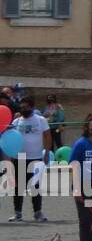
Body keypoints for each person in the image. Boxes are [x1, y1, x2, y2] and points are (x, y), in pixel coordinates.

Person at [7, 94, 50, 222]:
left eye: (25, 107)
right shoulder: (16, 121)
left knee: (35, 186)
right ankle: (17, 213)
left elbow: (47, 136)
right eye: (21, 107)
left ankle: (38, 213)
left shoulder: (41, 120)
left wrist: (47, 152)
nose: (23, 109)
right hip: (19, 158)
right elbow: (10, 139)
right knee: (18, 187)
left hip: (36, 158)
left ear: (32, 107)